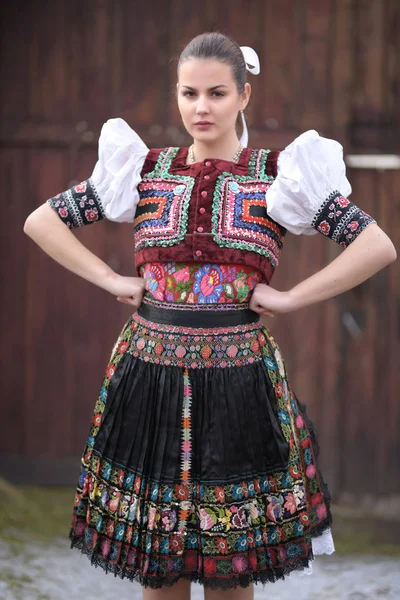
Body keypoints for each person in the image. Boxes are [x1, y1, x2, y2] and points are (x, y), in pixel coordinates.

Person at [23, 31, 396, 600]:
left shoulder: (279, 176)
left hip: (239, 381)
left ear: (243, 96)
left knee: (228, 568)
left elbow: (376, 244)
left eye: (217, 93)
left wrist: (292, 298)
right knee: (161, 565)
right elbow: (41, 221)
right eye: (189, 93)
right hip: (149, 378)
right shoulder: (143, 171)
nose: (201, 107)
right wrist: (110, 279)